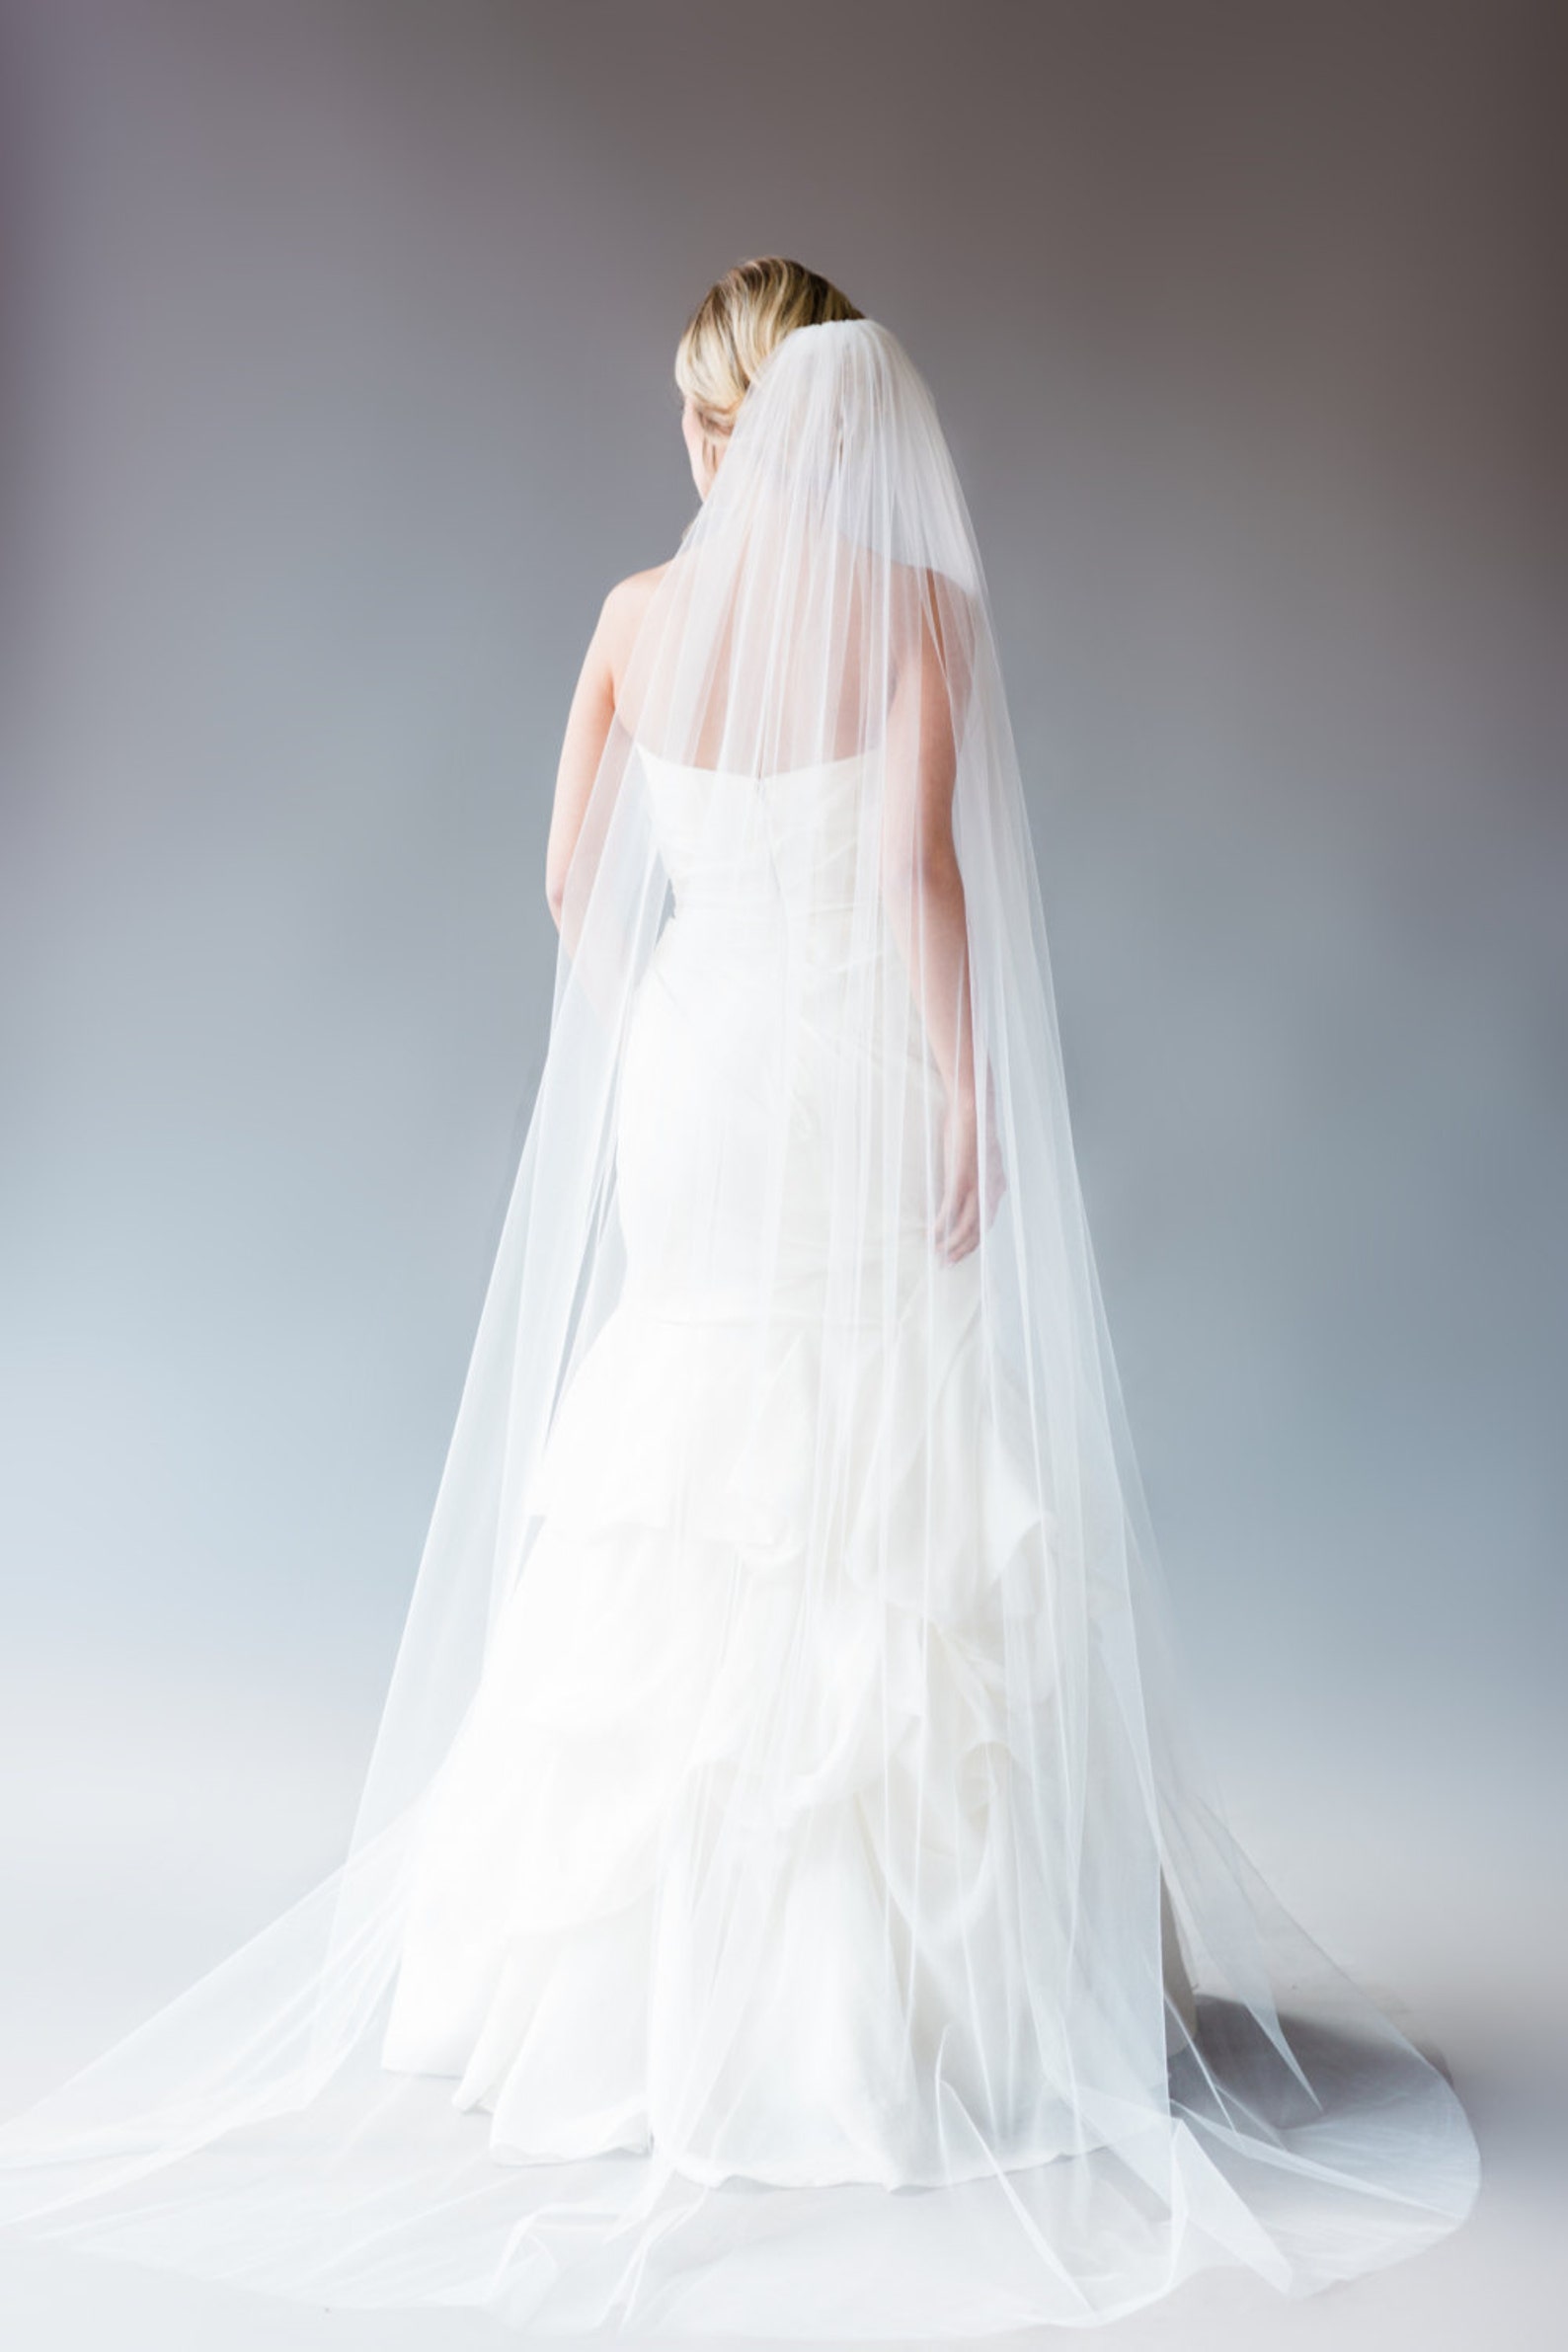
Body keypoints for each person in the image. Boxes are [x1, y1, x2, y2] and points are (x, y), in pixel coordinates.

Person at [0, 257, 1479, 2336]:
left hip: (697, 1076)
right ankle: (897, 2006)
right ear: (843, 425)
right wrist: (967, 1094)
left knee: (680, 1447)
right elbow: (918, 879)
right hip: (848, 1070)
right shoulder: (923, 613)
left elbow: (564, 879)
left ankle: (616, 1993)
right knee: (875, 1448)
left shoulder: (634, 616)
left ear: (713, 427)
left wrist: (654, 1023)